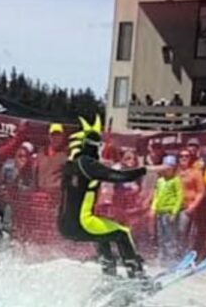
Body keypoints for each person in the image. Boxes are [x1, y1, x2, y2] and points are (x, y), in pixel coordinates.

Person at [58, 116, 148, 279]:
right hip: (81, 223)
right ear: (93, 146)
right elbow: (118, 176)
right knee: (122, 233)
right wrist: (144, 170)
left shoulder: (70, 164)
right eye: (99, 146)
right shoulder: (87, 163)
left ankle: (109, 275)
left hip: (64, 225)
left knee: (103, 235)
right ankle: (137, 277)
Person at [150, 155, 183, 263]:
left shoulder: (176, 180)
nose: (167, 170)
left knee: (170, 235)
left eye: (170, 167)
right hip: (160, 210)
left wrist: (174, 212)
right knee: (160, 235)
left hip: (169, 211)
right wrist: (153, 208)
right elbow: (156, 195)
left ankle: (172, 257)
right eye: (166, 167)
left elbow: (179, 196)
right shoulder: (160, 181)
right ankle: (161, 255)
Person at [35, 124, 67, 191]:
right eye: (53, 135)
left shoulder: (66, 156)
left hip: (56, 195)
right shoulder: (40, 154)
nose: (56, 138)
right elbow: (34, 175)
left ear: (63, 137)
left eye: (58, 135)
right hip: (39, 194)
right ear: (49, 136)